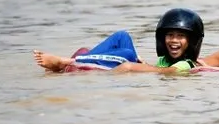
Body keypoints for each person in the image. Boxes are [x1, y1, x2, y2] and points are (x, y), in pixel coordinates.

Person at [33, 8, 205, 74]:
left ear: (192, 42)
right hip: (121, 64)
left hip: (115, 70)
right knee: (122, 36)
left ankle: (64, 62)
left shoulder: (184, 65)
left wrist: (132, 65)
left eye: (181, 36)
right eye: (170, 35)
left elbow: (166, 72)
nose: (174, 40)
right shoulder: (165, 60)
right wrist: (141, 62)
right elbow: (158, 67)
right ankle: (79, 63)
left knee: (128, 54)